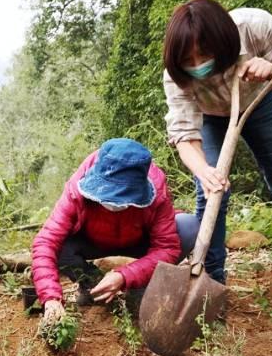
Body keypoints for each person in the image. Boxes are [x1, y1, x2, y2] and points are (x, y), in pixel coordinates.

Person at [163, 0, 272, 283]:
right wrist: (204, 171)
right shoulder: (176, 75)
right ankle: (211, 280)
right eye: (188, 61)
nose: (198, 66)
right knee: (212, 194)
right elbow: (184, 135)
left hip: (262, 101)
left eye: (204, 55)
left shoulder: (255, 26)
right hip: (209, 118)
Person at [32, 138, 199, 326]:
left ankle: (141, 287)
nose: (114, 205)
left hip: (138, 241)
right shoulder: (77, 186)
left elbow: (167, 247)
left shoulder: (156, 188)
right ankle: (92, 286)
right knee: (60, 247)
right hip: (92, 241)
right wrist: (51, 298)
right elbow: (45, 242)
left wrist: (125, 276)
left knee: (188, 227)